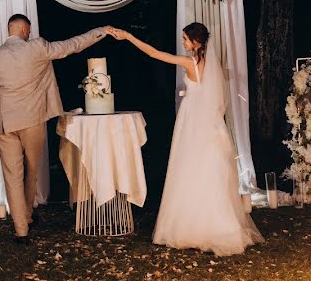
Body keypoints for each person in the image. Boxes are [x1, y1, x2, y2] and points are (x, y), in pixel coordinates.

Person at [107, 23, 261, 256]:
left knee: (188, 168)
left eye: (186, 39)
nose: (183, 42)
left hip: (192, 123)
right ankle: (217, 222)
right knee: (208, 170)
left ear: (196, 42)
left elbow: (155, 54)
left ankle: (190, 225)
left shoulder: (190, 63)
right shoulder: (210, 65)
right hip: (208, 123)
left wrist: (129, 36)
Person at [0, 14, 111, 242]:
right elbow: (72, 45)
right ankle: (27, 215)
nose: (29, 34)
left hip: (5, 124)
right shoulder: (37, 48)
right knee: (31, 171)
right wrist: (101, 30)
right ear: (22, 30)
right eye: (28, 31)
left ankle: (22, 229)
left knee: (12, 176)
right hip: (32, 121)